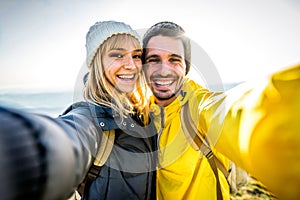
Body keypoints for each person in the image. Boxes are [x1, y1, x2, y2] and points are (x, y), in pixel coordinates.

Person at [142, 21, 300, 200]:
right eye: (153, 60)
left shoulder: (199, 106)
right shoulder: (143, 112)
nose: (164, 70)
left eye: (174, 59)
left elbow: (232, 112)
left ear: (186, 67)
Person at [0, 20, 157, 200]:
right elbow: (67, 140)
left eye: (136, 56)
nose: (131, 65)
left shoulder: (145, 114)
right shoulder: (90, 116)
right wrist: (22, 150)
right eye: (117, 55)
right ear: (98, 64)